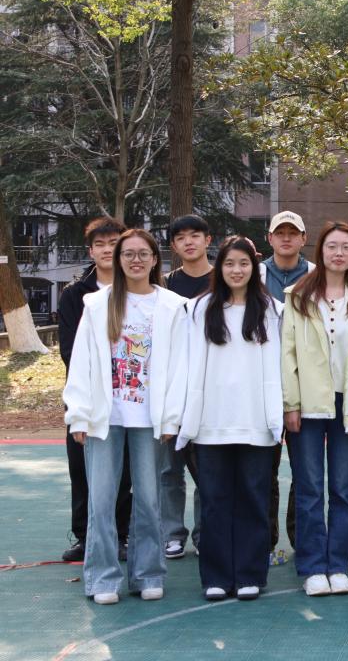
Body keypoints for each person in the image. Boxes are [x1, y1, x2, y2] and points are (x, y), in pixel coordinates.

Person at [63, 229, 188, 604]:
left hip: (150, 420)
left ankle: (148, 573)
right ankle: (102, 578)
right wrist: (79, 414)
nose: (136, 260)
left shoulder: (173, 306)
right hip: (105, 418)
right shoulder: (97, 304)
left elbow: (180, 366)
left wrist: (172, 418)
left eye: (143, 253)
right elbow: (82, 362)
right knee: (101, 501)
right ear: (118, 260)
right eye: (128, 254)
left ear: (155, 259)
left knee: (149, 500)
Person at [177, 236, 283, 601]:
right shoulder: (199, 309)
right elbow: (187, 365)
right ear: (219, 267)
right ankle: (217, 577)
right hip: (211, 424)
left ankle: (251, 574)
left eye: (243, 263)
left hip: (257, 422)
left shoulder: (272, 310)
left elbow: (279, 366)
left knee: (254, 497)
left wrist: (278, 414)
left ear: (254, 268)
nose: (237, 270)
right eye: (229, 263)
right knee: (215, 500)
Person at [282, 222, 348, 597]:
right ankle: (312, 567)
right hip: (308, 403)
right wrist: (291, 403)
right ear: (320, 251)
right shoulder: (298, 297)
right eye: (332, 246)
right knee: (309, 488)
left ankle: (338, 565)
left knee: (343, 488)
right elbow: (288, 354)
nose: (339, 253)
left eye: (346, 247)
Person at [57, 216, 131, 563]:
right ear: (90, 251)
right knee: (82, 468)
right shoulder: (75, 294)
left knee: (124, 472)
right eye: (99, 244)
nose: (106, 250)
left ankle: (120, 535)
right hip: (87, 393)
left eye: (113, 244)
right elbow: (70, 350)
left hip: (129, 393)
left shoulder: (137, 290)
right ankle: (85, 537)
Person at [160, 214, 213, 560]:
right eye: (181, 238)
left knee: (206, 470)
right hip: (170, 391)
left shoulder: (223, 280)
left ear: (208, 240)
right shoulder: (164, 286)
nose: (189, 242)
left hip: (209, 391)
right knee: (169, 469)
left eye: (195, 235)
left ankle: (204, 533)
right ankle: (172, 534)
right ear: (174, 246)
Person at [261, 210, 313, 562]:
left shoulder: (316, 274)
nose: (286, 238)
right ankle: (265, 541)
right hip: (262, 382)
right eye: (280, 232)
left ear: (303, 238)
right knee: (264, 469)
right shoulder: (254, 273)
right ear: (270, 238)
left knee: (304, 469)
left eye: (293, 233)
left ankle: (301, 538)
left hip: (304, 383)